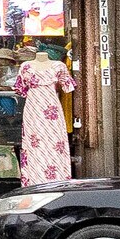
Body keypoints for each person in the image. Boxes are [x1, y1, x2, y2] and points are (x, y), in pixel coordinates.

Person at [12, 46, 76, 185]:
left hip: (51, 110)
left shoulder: (59, 66)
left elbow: (68, 87)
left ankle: (57, 180)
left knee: (55, 143)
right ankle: (34, 180)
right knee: (33, 144)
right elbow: (20, 90)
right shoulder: (25, 66)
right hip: (33, 111)